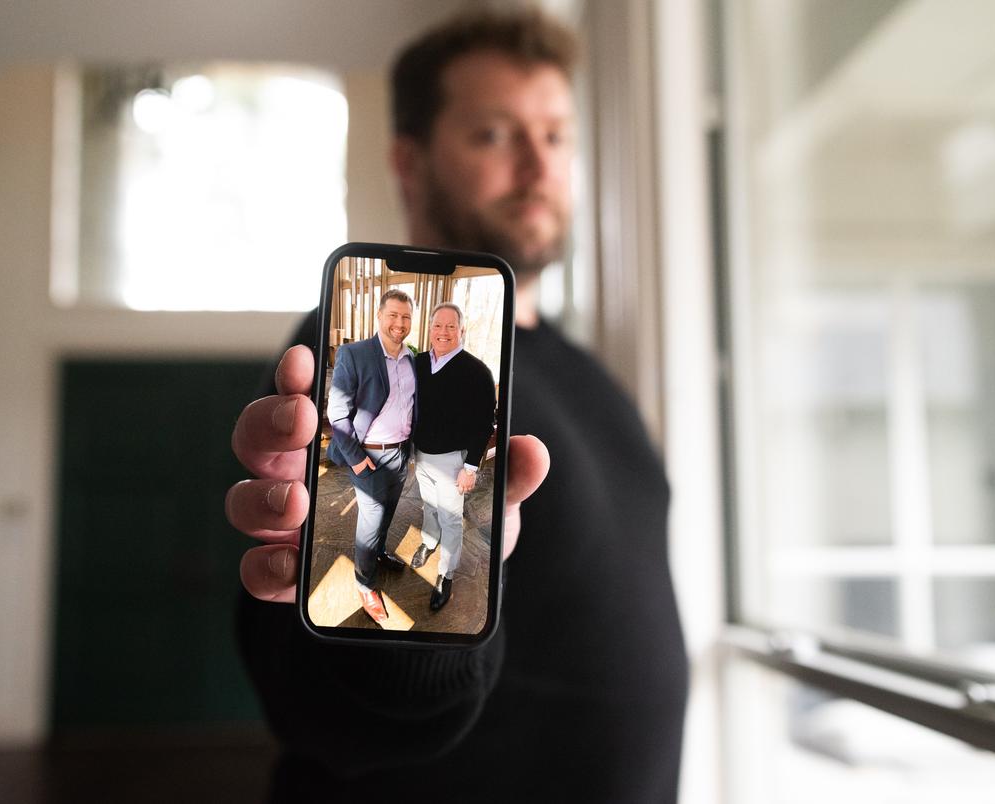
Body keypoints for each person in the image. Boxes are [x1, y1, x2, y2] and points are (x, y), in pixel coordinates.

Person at [225, 8, 687, 802]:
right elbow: (320, 710)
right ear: (410, 164)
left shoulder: (590, 375)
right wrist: (407, 637)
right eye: (495, 135)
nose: (539, 166)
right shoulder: (356, 352)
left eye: (556, 135)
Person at [324, 288, 417, 623]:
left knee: (389, 514)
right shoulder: (354, 353)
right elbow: (337, 415)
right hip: (368, 458)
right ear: (380, 316)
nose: (399, 322)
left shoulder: (412, 359)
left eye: (406, 316)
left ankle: (378, 553)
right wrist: (358, 460)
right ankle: (365, 584)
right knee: (369, 524)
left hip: (399, 455)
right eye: (392, 314)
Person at [410, 302, 497, 611]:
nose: (443, 332)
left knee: (450, 519)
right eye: (437, 326)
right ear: (430, 329)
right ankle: (428, 542)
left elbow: (485, 422)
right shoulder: (418, 363)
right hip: (421, 455)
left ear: (461, 331)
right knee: (428, 506)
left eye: (450, 327)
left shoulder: (477, 372)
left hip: (453, 462)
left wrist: (470, 467)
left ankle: (445, 575)